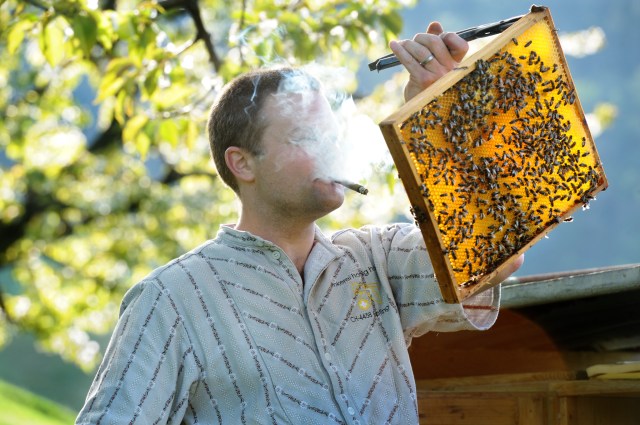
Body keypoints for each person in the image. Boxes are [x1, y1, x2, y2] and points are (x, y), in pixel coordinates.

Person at [76, 22, 523, 425]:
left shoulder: (377, 258)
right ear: (243, 164)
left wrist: (437, 117)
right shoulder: (170, 298)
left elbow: (499, 250)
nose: (332, 150)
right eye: (308, 138)